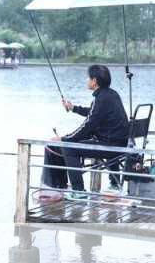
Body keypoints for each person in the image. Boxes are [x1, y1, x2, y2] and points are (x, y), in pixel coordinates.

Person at [41, 65, 129, 198]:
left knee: (69, 148)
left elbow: (88, 126)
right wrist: (73, 108)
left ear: (94, 81)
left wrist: (64, 139)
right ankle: (114, 183)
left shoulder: (101, 99)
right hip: (118, 144)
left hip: (110, 147)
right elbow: (94, 114)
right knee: (73, 142)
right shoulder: (111, 94)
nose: (87, 80)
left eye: (88, 78)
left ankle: (78, 191)